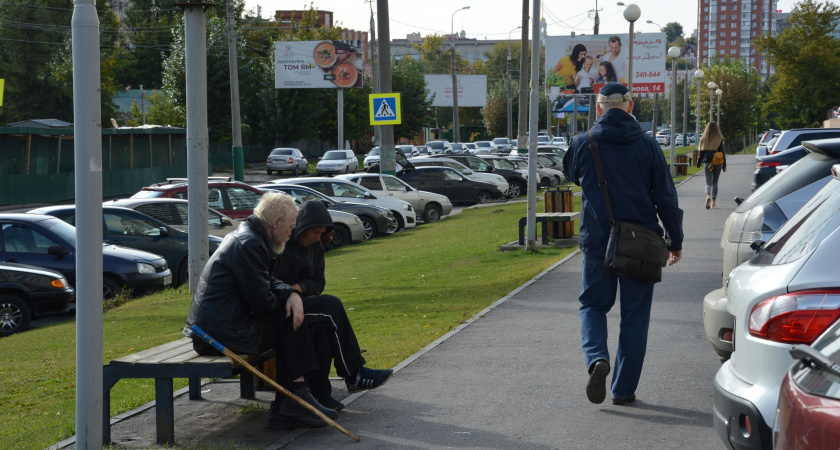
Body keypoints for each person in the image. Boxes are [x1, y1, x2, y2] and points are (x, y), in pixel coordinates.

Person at [562, 82, 684, 406]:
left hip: (597, 243)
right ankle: (622, 389)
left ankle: (597, 358)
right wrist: (675, 239)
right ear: (630, 107)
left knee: (592, 305)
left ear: (599, 108)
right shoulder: (648, 146)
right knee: (635, 317)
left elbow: (572, 176)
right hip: (640, 245)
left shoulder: (581, 143)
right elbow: (666, 198)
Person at [183, 192, 338, 430]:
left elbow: (266, 281)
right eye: (290, 226)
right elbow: (262, 302)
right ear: (276, 223)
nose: (291, 232)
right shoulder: (251, 244)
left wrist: (291, 294)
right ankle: (292, 402)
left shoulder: (253, 238)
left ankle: (291, 403)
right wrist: (292, 301)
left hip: (224, 326)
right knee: (291, 320)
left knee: (291, 318)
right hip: (215, 335)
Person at [274, 199, 392, 411]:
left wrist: (300, 288)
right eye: (314, 232)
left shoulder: (316, 247)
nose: (317, 238)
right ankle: (354, 373)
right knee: (331, 305)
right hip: (281, 308)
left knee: (323, 325)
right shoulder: (282, 245)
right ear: (303, 227)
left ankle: (321, 395)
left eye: (322, 233)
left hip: (303, 302)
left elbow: (319, 282)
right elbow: (271, 281)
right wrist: (291, 293)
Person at [695, 121, 727, 209]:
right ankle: (713, 202)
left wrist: (698, 163)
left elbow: (701, 153)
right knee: (715, 182)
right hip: (717, 162)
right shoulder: (719, 139)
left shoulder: (704, 139)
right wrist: (724, 165)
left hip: (707, 162)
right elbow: (722, 153)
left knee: (708, 181)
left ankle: (708, 195)